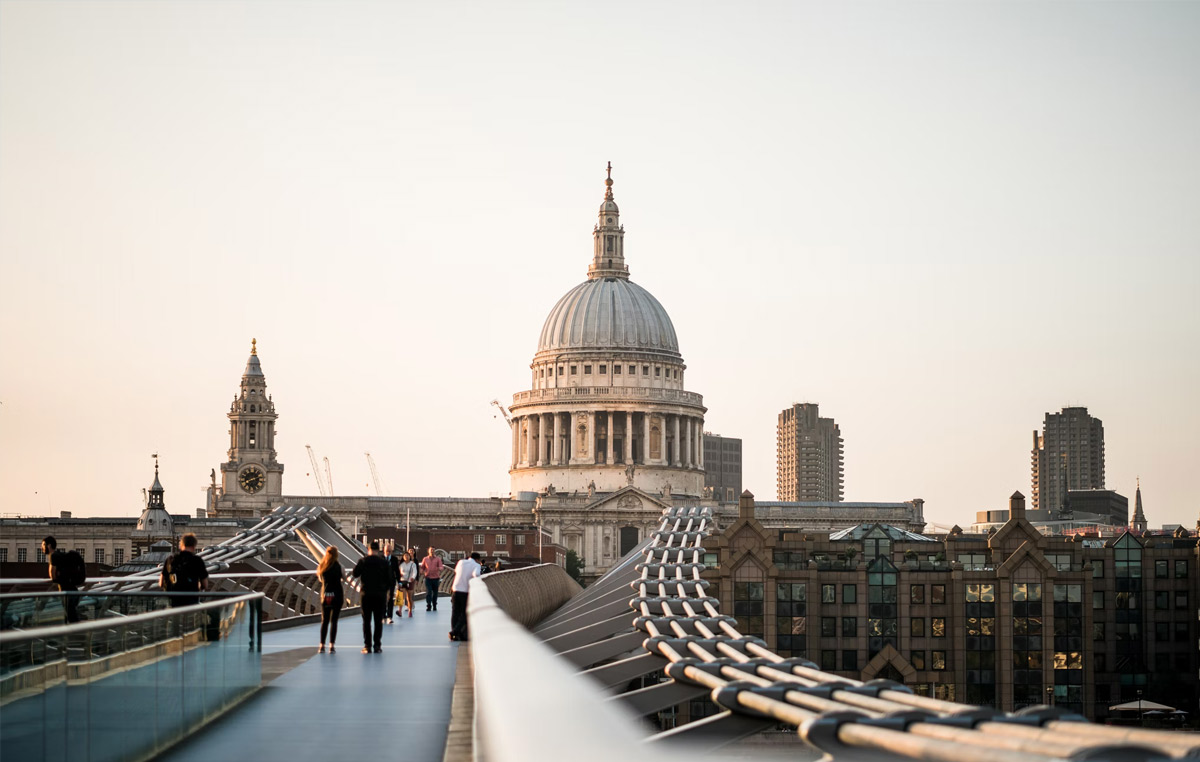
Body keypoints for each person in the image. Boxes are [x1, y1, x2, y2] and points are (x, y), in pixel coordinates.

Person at [352, 541, 391, 654]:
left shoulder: (363, 561)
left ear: (368, 549)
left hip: (366, 594)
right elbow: (390, 580)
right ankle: (377, 646)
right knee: (378, 620)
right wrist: (386, 591)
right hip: (380, 594)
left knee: (366, 621)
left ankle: (367, 646)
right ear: (378, 550)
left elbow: (355, 574)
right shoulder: (384, 562)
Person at [42, 536, 86, 623]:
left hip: (67, 593)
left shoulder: (53, 556)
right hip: (74, 591)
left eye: (43, 545)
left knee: (72, 619)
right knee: (72, 617)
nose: (42, 547)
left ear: (49, 545)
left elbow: (52, 575)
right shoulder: (61, 555)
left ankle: (78, 634)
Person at [159, 533, 209, 607]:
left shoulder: (170, 559)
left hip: (173, 601)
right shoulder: (197, 560)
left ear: (181, 545)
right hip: (191, 601)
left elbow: (161, 583)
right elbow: (205, 584)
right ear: (194, 546)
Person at [448, 552, 483, 642]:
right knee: (464, 613)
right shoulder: (476, 565)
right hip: (465, 591)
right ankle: (455, 631)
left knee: (455, 612)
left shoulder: (461, 562)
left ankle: (454, 633)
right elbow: (476, 575)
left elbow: (456, 571)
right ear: (477, 559)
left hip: (455, 589)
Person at [317, 545, 343, 653]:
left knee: (325, 621)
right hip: (337, 595)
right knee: (334, 621)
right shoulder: (339, 566)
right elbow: (344, 578)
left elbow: (320, 579)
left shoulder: (322, 566)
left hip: (326, 595)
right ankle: (332, 646)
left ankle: (322, 645)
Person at [420, 547, 444, 611]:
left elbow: (441, 567)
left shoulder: (438, 559)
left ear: (434, 551)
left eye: (433, 550)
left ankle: (434, 604)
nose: (432, 551)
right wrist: (421, 571)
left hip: (436, 578)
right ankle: (428, 605)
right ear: (428, 551)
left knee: (435, 593)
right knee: (429, 592)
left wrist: (439, 568)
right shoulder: (425, 559)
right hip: (428, 578)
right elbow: (422, 567)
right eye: (431, 550)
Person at [397, 551, 418, 617]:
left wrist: (413, 577)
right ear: (403, 557)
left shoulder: (413, 564)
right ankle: (400, 611)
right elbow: (398, 572)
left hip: (409, 581)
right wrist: (399, 575)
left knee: (409, 597)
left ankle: (410, 610)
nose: (406, 557)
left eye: (407, 555)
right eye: (405, 556)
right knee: (400, 597)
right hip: (402, 581)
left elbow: (415, 572)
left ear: (409, 556)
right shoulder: (401, 564)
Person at [385, 543, 401, 624]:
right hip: (382, 582)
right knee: (383, 598)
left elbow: (397, 571)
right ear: (384, 550)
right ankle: (383, 615)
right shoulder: (380, 558)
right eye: (387, 550)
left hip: (391, 581)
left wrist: (399, 582)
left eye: (390, 551)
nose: (388, 552)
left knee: (390, 598)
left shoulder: (394, 559)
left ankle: (389, 616)